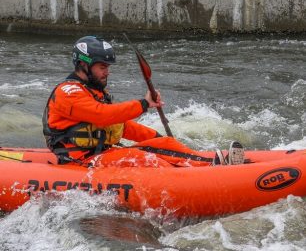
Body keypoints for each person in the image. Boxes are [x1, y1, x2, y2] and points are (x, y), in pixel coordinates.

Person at [43, 35, 244, 166]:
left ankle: (209, 161)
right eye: (102, 66)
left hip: (100, 154)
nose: (107, 71)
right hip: (79, 160)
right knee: (145, 158)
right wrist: (144, 104)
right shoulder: (68, 93)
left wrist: (154, 137)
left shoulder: (93, 91)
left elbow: (121, 126)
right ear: (83, 65)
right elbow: (102, 116)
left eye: (108, 66)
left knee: (162, 143)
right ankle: (213, 164)